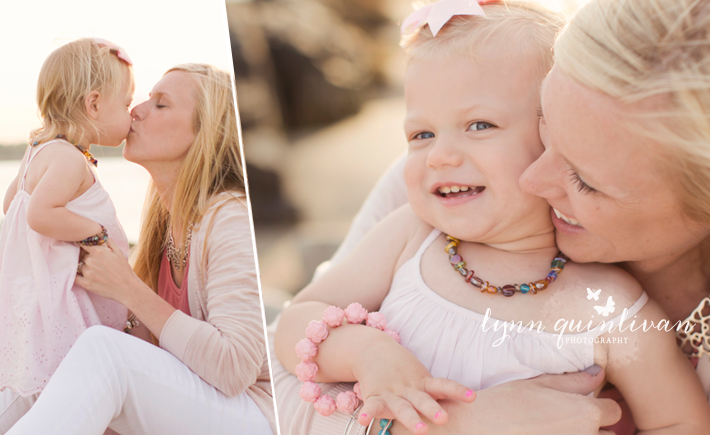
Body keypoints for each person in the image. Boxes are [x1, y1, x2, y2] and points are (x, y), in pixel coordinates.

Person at [273, 1, 710, 434]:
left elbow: (682, 421)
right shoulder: (415, 233)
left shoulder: (615, 309)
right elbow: (289, 330)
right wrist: (365, 352)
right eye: (420, 134)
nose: (440, 155)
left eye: (480, 125)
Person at [4, 63, 275, 435]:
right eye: (145, 99)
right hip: (196, 405)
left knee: (104, 352)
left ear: (205, 132)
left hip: (254, 414)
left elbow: (234, 368)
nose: (137, 110)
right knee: (48, 363)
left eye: (160, 104)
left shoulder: (229, 218)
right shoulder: (164, 223)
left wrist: (127, 288)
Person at [0, 37, 132, 422]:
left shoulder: (39, 149)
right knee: (53, 397)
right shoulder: (69, 160)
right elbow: (38, 214)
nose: (131, 113)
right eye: (125, 103)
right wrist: (95, 233)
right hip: (59, 310)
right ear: (93, 104)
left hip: (37, 299)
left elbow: (12, 203)